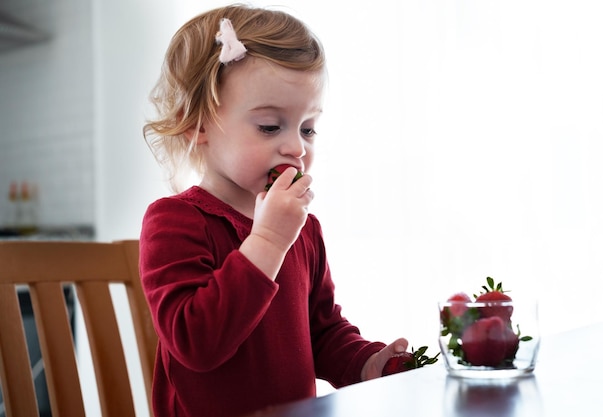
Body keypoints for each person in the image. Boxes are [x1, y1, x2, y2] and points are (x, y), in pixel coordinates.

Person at [140, 4, 408, 417]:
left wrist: (365, 363)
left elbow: (321, 333)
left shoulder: (303, 229)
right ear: (197, 125)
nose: (297, 148)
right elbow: (196, 343)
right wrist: (266, 241)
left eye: (308, 128)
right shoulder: (174, 221)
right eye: (269, 126)